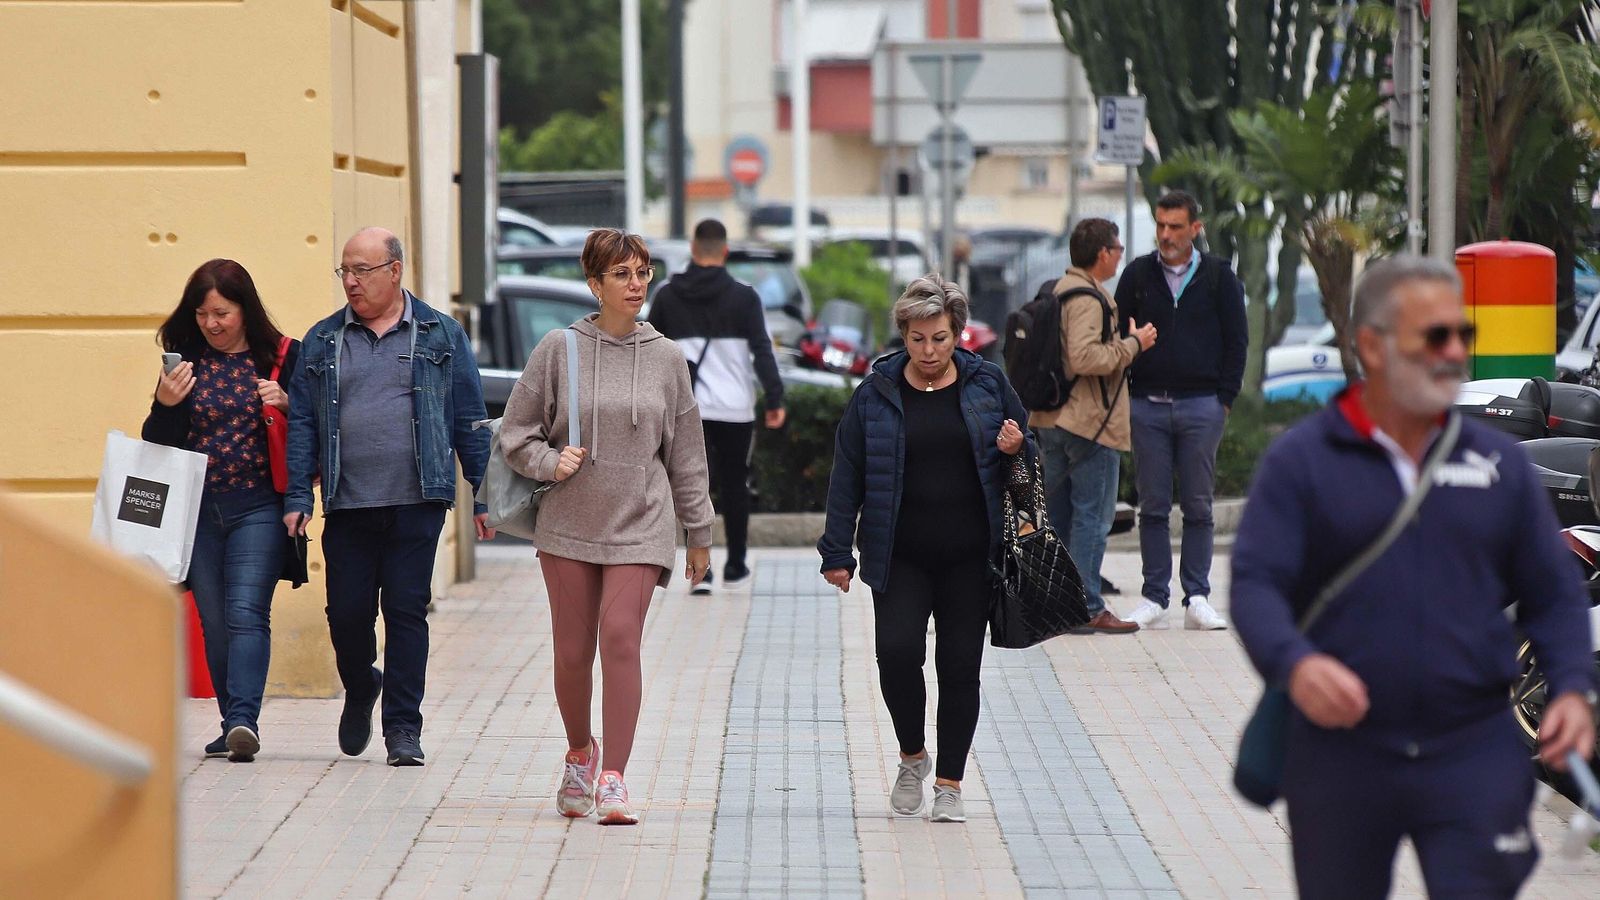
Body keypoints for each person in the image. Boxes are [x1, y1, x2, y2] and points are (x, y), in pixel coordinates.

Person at [1233, 256, 1597, 898]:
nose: (1455, 352)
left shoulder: (1497, 466)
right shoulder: (1303, 462)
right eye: (1435, 336)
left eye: (1464, 335)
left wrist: (1570, 686)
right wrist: (1295, 664)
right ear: (1371, 345)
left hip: (1471, 749)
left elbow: (1556, 595)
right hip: (1343, 752)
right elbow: (1256, 584)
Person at [500, 228, 714, 826]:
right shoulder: (557, 349)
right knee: (572, 651)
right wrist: (549, 460)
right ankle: (579, 753)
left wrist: (699, 532)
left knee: (621, 636)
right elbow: (516, 433)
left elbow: (687, 454)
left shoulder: (668, 358)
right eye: (621, 274)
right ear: (594, 284)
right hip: (569, 522)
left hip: (641, 521)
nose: (636, 283)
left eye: (642, 271)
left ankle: (615, 777)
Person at [818, 275, 1035, 824]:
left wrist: (1016, 448)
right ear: (903, 336)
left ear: (957, 333)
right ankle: (913, 756)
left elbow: (1028, 462)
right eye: (918, 339)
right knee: (895, 656)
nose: (930, 350)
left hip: (971, 557)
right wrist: (837, 551)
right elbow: (848, 474)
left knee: (960, 667)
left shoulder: (987, 386)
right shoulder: (876, 393)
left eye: (940, 338)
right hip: (900, 555)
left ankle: (949, 783)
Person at [283, 227, 492, 767]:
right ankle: (360, 684)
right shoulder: (322, 341)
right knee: (347, 615)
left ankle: (403, 729)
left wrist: (485, 495)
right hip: (349, 504)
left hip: (418, 500)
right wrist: (297, 496)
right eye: (345, 271)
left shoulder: (441, 334)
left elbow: (469, 418)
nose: (350, 282)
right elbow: (303, 421)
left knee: (405, 613)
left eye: (362, 271)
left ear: (394, 272)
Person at [144, 259, 299, 763]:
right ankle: (232, 720)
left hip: (258, 505)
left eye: (223, 313)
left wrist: (290, 405)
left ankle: (242, 720)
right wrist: (165, 405)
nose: (212, 323)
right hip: (197, 510)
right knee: (212, 619)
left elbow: (313, 436)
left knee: (245, 612)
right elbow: (158, 444)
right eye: (203, 313)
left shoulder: (280, 359)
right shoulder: (183, 364)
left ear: (245, 311)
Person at [1115, 190, 1247, 630]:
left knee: (1198, 504)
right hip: (1147, 407)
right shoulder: (1137, 276)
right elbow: (1117, 338)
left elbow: (1237, 342)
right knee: (1152, 505)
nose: (1166, 235)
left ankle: (1198, 596)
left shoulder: (1218, 277)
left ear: (1196, 228)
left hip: (1201, 406)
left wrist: (1223, 400)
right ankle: (1154, 596)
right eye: (1160, 225)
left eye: (1175, 226)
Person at [647, 218, 784, 594]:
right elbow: (761, 350)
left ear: (693, 250)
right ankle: (736, 565)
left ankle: (700, 572)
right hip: (735, 409)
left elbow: (645, 350)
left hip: (684, 409)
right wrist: (775, 397)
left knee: (694, 485)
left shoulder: (667, 296)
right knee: (734, 483)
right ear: (724, 251)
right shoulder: (745, 298)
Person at [1032, 219, 1155, 634]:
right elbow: (1084, 358)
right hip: (1089, 425)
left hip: (1051, 419)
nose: (1120, 256)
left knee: (1063, 518)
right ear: (1103, 253)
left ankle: (1059, 605)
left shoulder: (1057, 290)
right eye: (1118, 249)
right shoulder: (1086, 297)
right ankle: (1086, 606)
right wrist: (1135, 345)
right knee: (1092, 518)